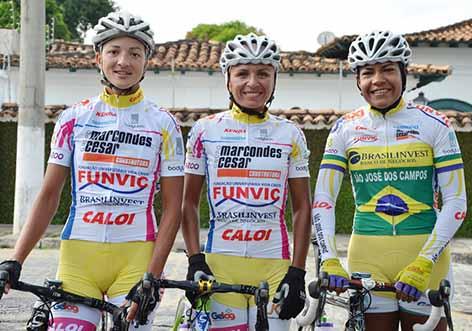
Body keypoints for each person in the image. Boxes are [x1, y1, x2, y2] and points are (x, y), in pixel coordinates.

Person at [0, 11, 184, 330]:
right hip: (77, 259)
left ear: (146, 61)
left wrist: (152, 277)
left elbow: (173, 209)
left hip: (136, 259)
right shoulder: (73, 119)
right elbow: (48, 195)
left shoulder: (164, 124)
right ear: (98, 58)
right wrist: (15, 259)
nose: (123, 61)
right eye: (114, 51)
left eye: (134, 53)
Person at [312, 30, 467, 331]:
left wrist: (425, 261)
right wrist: (329, 259)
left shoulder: (435, 124)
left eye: (387, 70)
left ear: (403, 74)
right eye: (367, 72)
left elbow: (456, 202)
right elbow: (323, 201)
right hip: (367, 256)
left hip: (426, 260)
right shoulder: (344, 129)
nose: (377, 80)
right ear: (357, 80)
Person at [181, 33, 311, 330]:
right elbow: (188, 202)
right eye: (242, 73)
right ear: (228, 80)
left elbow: (303, 208)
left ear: (275, 80)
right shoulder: (204, 131)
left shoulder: (290, 134)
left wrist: (298, 271)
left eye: (263, 73)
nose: (253, 82)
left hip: (276, 270)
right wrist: (195, 260)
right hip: (219, 268)